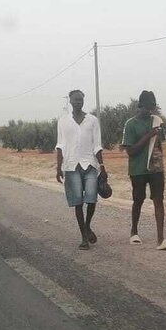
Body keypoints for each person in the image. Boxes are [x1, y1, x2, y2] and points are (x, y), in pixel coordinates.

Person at [121, 90, 166, 250]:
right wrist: (148, 136)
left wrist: (159, 162)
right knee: (138, 200)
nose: (150, 110)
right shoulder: (130, 124)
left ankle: (161, 239)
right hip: (138, 169)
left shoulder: (157, 122)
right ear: (140, 106)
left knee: (158, 200)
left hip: (156, 169)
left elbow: (159, 145)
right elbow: (130, 151)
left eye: (152, 107)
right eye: (147, 107)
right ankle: (134, 232)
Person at [56, 90, 107, 250]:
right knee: (78, 201)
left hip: (90, 165)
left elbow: (97, 145)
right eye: (75, 100)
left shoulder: (92, 120)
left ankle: (87, 225)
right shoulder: (63, 121)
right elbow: (60, 145)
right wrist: (58, 167)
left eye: (80, 99)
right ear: (70, 101)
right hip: (71, 166)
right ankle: (84, 237)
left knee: (91, 199)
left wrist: (103, 167)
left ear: (83, 100)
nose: (78, 102)